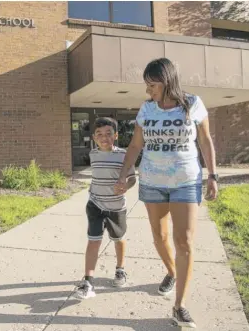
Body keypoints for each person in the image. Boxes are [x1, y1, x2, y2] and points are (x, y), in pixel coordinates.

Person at [115, 58, 218, 328]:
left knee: (183, 242)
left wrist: (212, 175)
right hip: (152, 181)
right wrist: (125, 172)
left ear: (167, 80)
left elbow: (205, 141)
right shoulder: (147, 109)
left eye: (152, 85)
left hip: (186, 181)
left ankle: (179, 306)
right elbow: (136, 145)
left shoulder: (192, 104)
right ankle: (172, 272)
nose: (149, 90)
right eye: (147, 86)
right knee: (160, 239)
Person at [74, 117, 137, 300]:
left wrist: (126, 185)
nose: (104, 137)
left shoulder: (124, 155)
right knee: (93, 241)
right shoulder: (93, 154)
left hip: (116, 208)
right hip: (95, 204)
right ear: (94, 137)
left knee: (118, 239)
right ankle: (88, 281)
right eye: (99, 134)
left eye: (108, 133)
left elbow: (132, 178)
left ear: (116, 135)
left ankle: (120, 270)